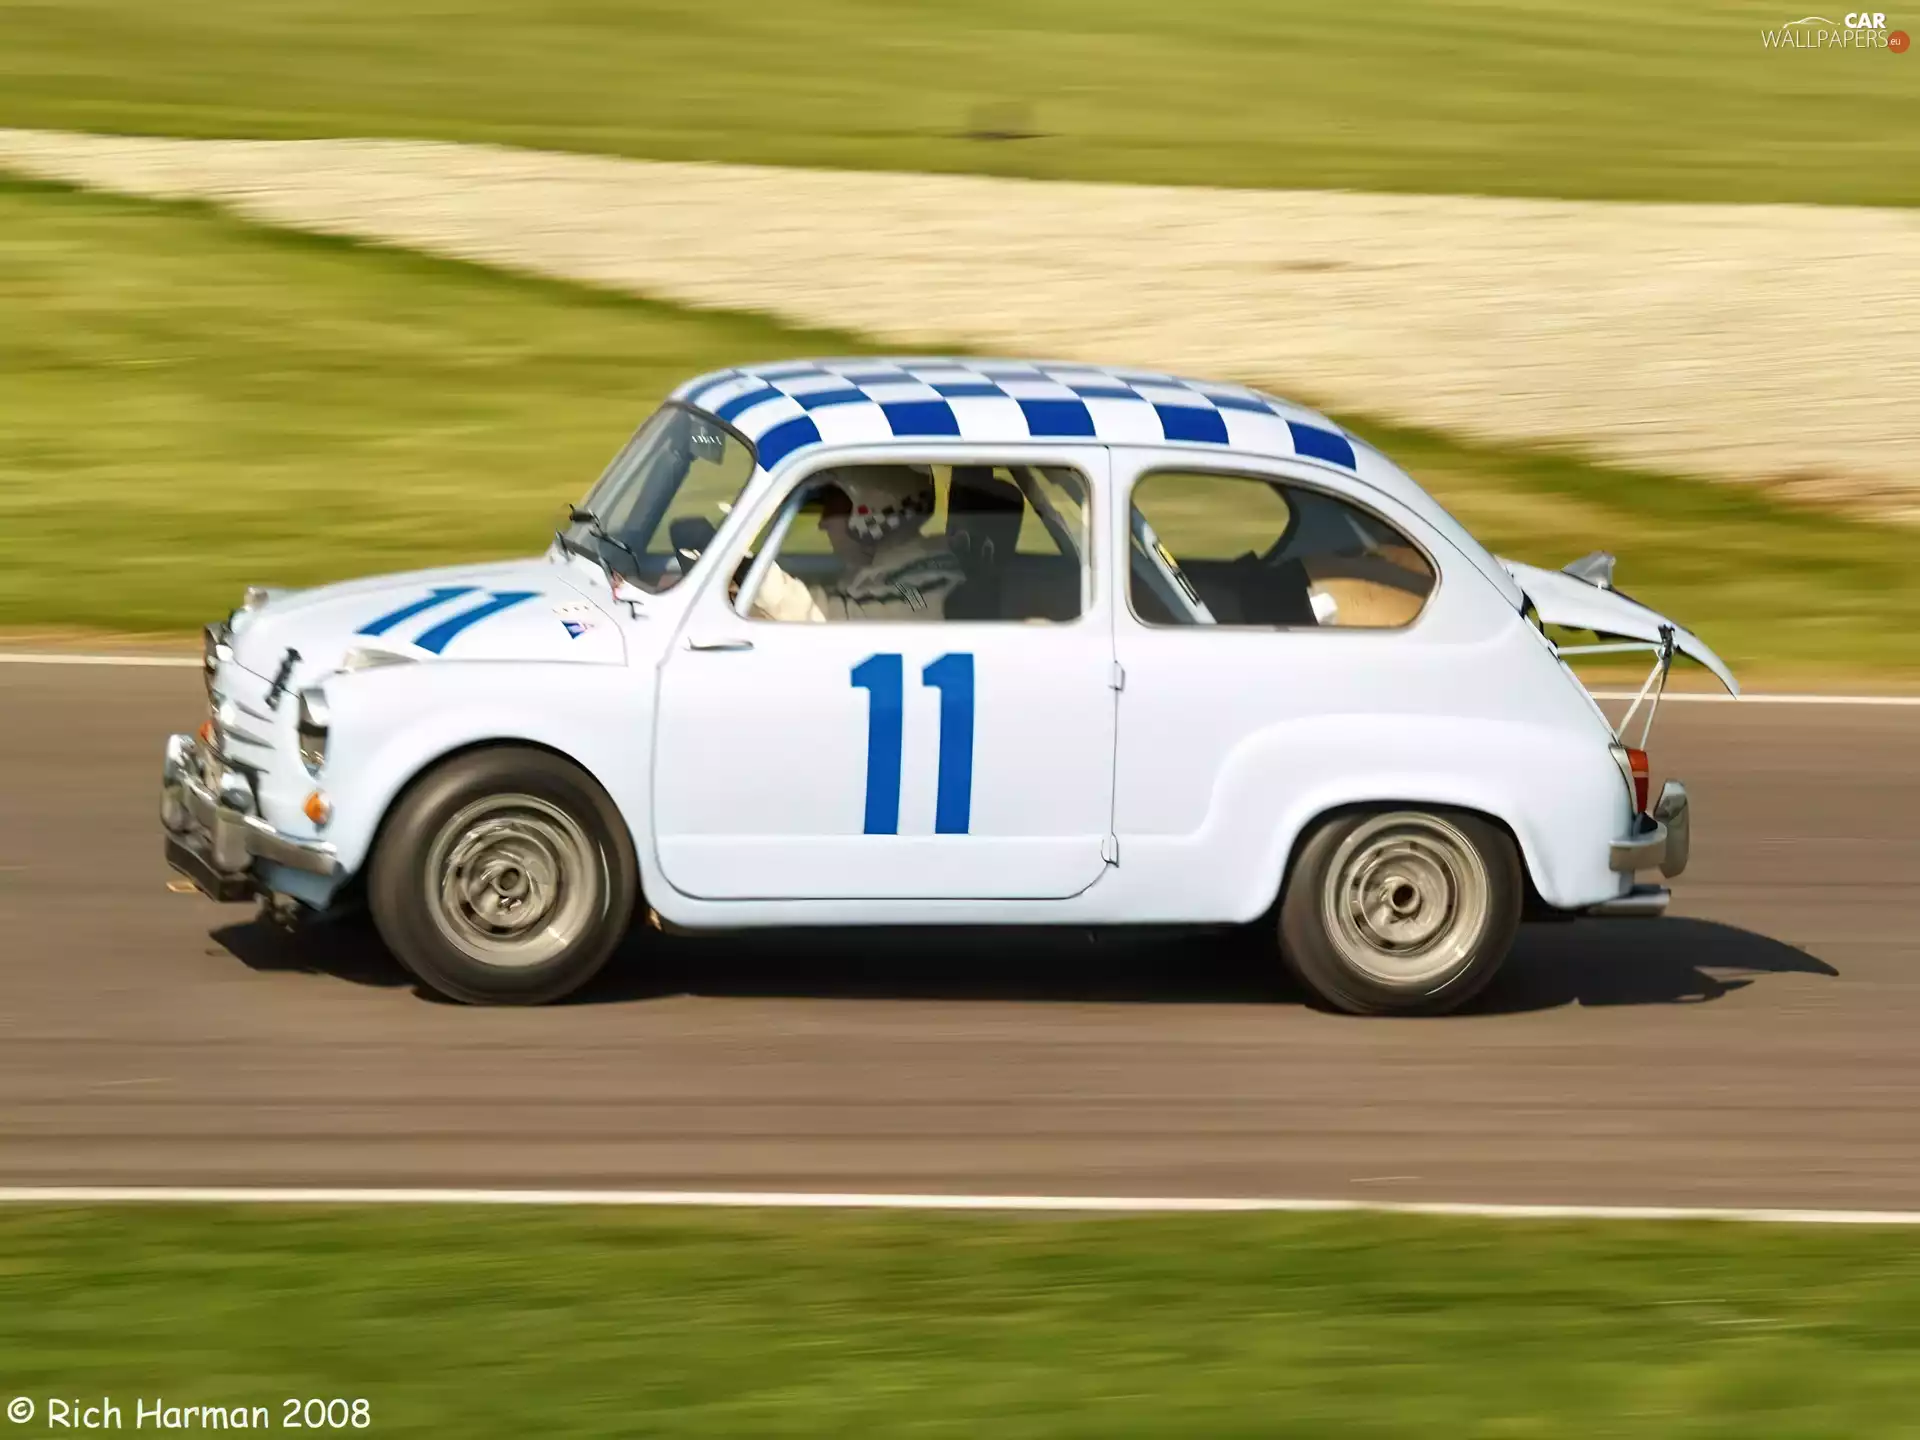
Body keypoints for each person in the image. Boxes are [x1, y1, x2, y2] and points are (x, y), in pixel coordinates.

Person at [749, 464, 966, 622]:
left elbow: (823, 623)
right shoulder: (885, 570)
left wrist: (750, 574)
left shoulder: (923, 586)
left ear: (869, 512)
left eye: (832, 506)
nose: (823, 523)